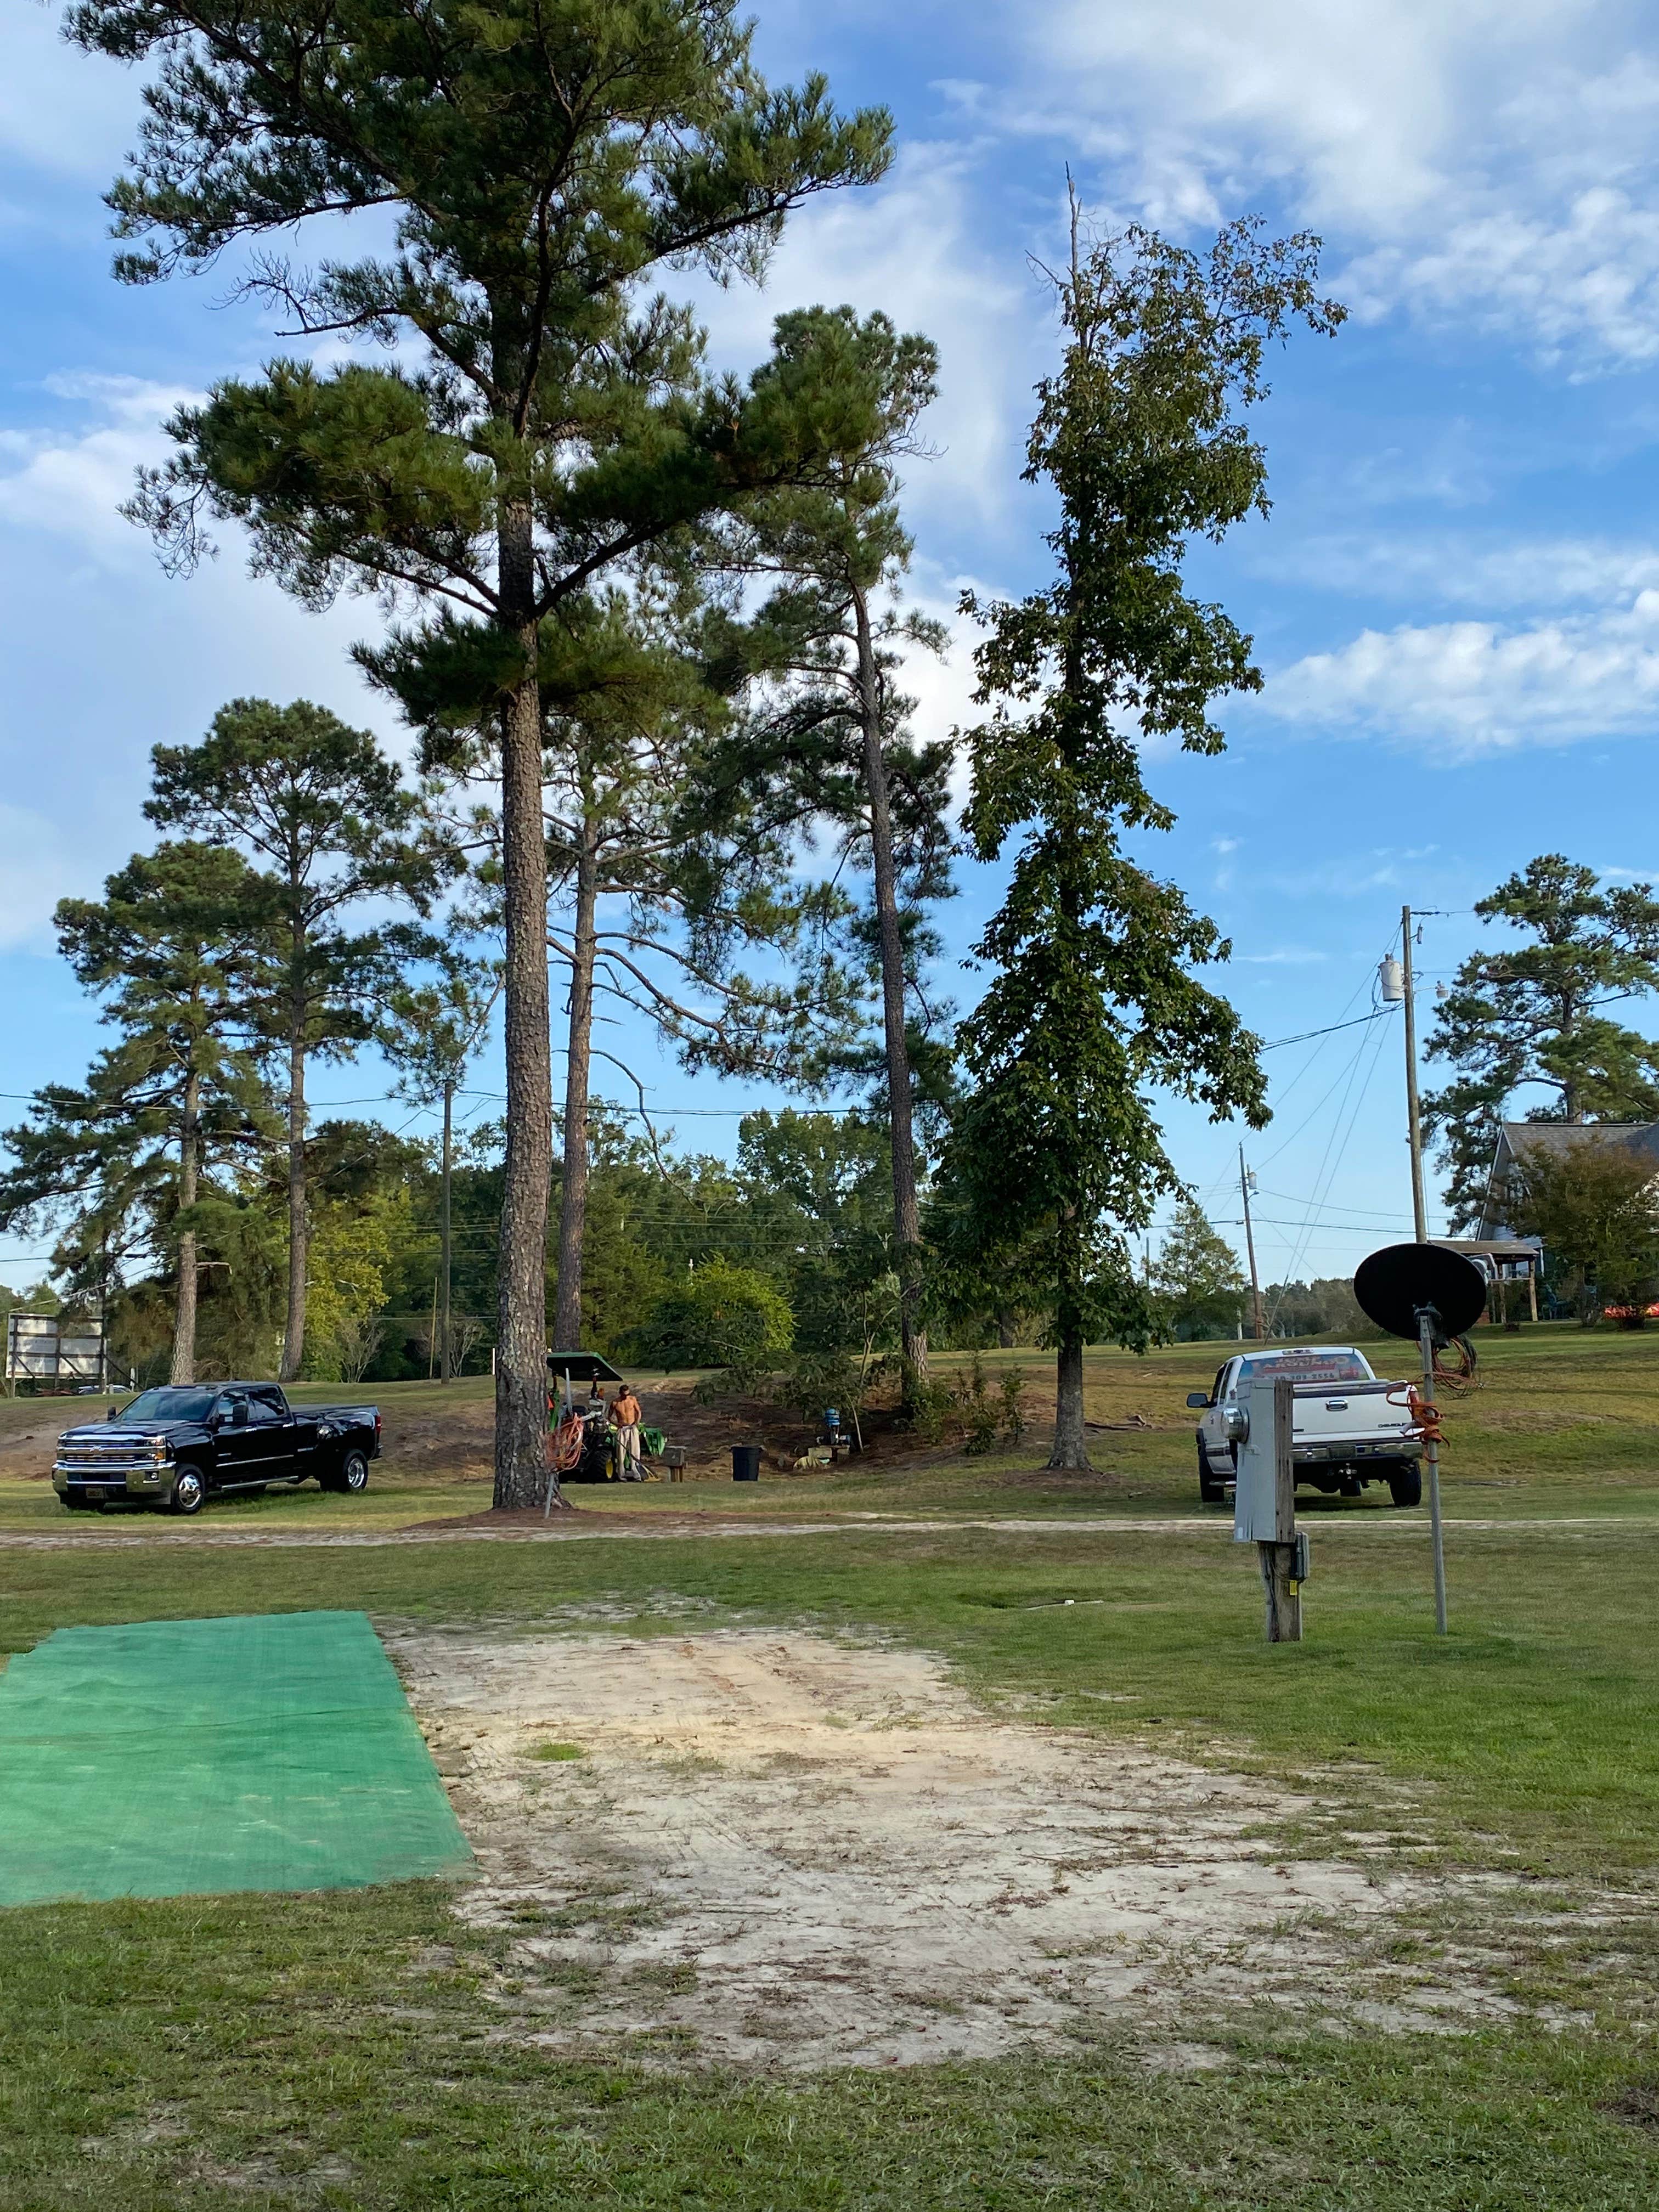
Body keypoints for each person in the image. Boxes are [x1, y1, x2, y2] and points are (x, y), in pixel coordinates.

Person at [612, 1383, 644, 1480]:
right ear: (620, 1393)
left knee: (635, 1451)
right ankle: (621, 1475)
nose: (626, 1397)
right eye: (624, 1395)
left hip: (632, 1426)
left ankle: (637, 1474)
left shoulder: (632, 1399)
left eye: (627, 1394)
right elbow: (609, 1416)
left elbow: (638, 1411)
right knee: (621, 1453)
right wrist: (616, 1424)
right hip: (622, 1428)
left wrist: (637, 1422)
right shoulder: (615, 1403)